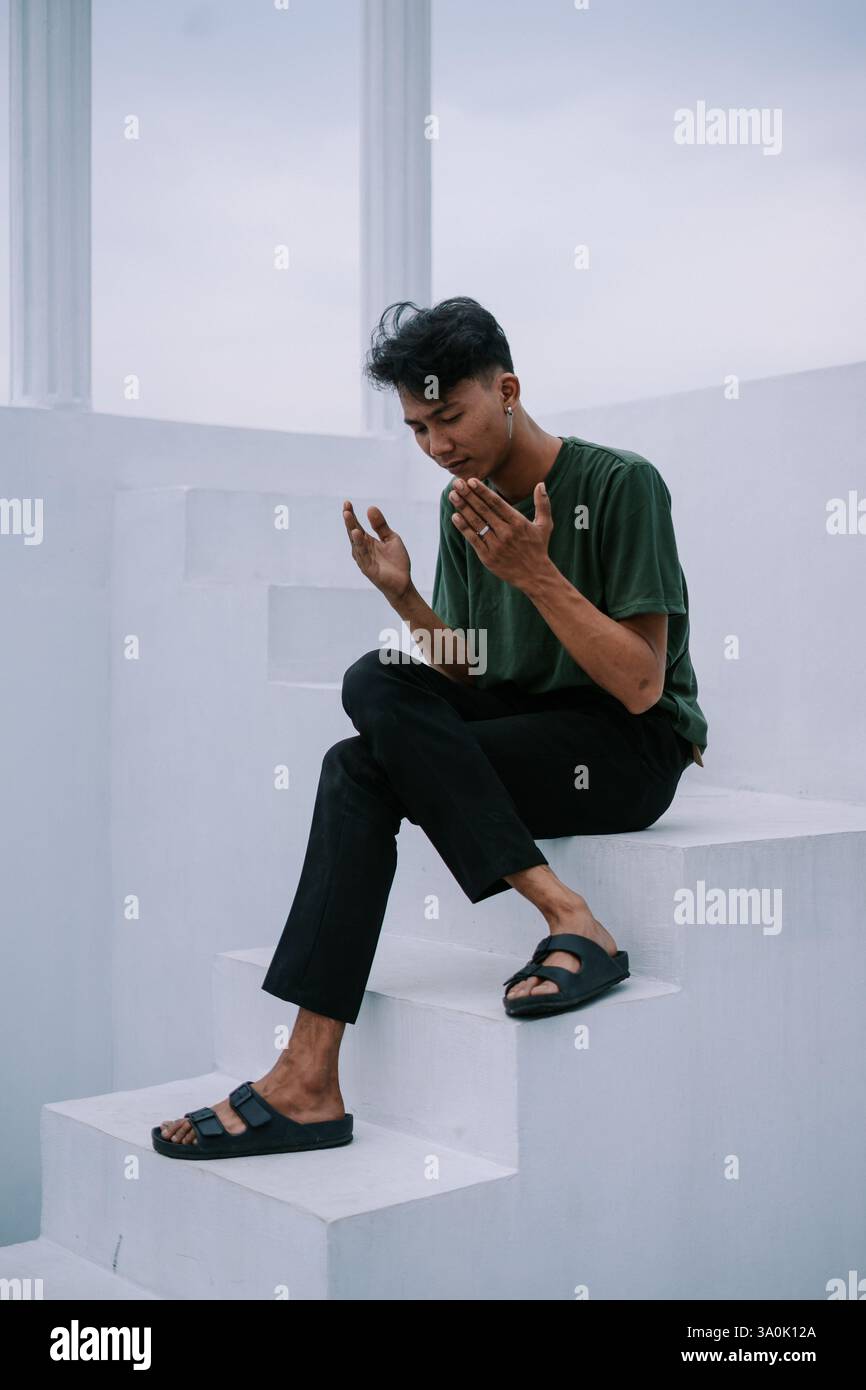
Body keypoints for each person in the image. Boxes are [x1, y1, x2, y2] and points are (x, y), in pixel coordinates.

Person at [154, 296, 708, 1157]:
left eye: (449, 416)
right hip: (528, 730)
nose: (439, 445)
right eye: (417, 427)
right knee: (372, 690)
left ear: (508, 389)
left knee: (358, 767)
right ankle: (312, 1072)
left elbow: (640, 685)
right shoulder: (469, 506)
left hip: (625, 750)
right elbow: (472, 673)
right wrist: (403, 597)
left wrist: (537, 573)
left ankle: (563, 924)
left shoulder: (618, 484)